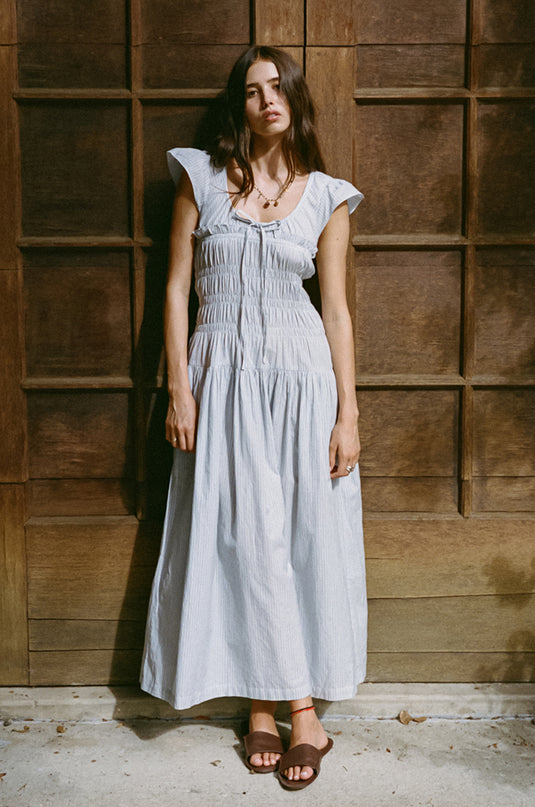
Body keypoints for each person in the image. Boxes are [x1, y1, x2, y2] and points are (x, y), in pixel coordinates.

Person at [140, 45, 367, 791]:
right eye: (251, 89)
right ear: (238, 105)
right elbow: (176, 289)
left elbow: (335, 309)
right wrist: (179, 388)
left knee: (298, 537)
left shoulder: (327, 196)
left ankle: (289, 710)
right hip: (222, 379)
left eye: (278, 86)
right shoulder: (202, 179)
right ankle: (278, 708)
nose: (266, 99)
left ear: (296, 99)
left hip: (301, 380)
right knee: (243, 536)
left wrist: (348, 412)